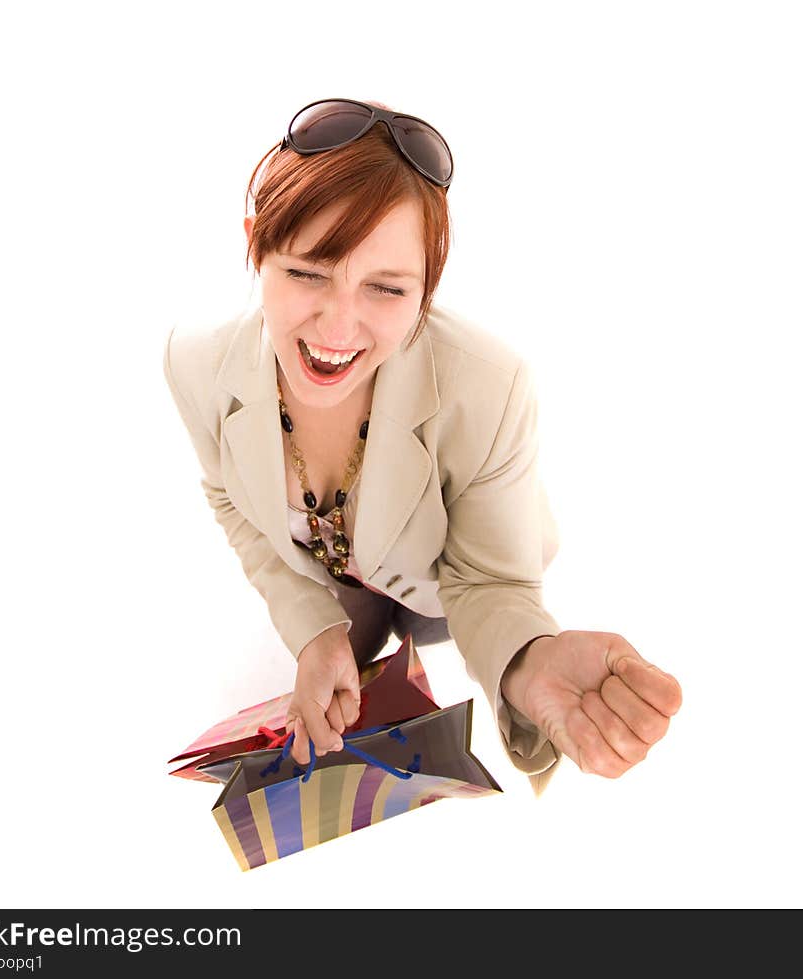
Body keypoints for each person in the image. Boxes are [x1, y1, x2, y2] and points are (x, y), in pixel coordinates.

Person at [162, 97, 682, 794]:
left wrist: (529, 659)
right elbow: (228, 494)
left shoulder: (491, 387)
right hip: (338, 572)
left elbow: (488, 578)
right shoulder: (193, 363)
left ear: (427, 289)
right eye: (308, 273)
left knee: (429, 624)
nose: (337, 327)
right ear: (257, 245)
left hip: (447, 584)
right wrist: (315, 628)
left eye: (386, 287)